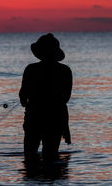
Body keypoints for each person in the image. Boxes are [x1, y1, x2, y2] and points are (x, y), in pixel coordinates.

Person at [19, 33, 72, 162]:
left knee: (30, 158)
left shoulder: (31, 69)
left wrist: (31, 99)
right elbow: (65, 99)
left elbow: (22, 97)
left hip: (34, 118)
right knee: (51, 157)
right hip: (56, 118)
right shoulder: (65, 70)